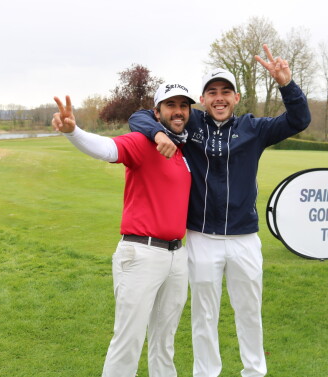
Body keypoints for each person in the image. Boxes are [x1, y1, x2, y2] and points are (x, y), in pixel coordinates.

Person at [128, 44, 311, 377]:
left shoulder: (254, 129)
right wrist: (156, 133)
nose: (219, 97)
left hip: (244, 239)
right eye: (212, 92)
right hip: (201, 237)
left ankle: (254, 372)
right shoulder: (192, 122)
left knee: (249, 311)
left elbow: (299, 119)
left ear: (236, 98)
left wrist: (287, 84)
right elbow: (139, 116)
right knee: (204, 315)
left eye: (226, 91)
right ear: (203, 99)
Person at [52, 83, 196, 377]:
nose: (178, 111)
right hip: (141, 253)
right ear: (157, 113)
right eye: (171, 105)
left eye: (183, 105)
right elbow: (107, 148)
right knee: (128, 341)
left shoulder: (183, 151)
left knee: (165, 343)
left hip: (176, 257)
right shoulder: (143, 143)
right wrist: (73, 132)